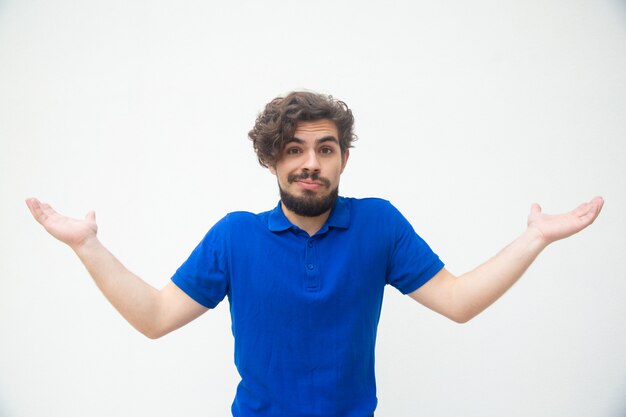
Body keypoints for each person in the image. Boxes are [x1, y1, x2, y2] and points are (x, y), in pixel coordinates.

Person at [25, 91, 604, 417]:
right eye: (295, 150)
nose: (311, 163)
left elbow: (457, 301)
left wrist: (535, 238)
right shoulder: (234, 236)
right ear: (273, 162)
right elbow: (153, 318)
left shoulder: (378, 224)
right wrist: (88, 245)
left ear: (343, 160)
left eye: (326, 149)